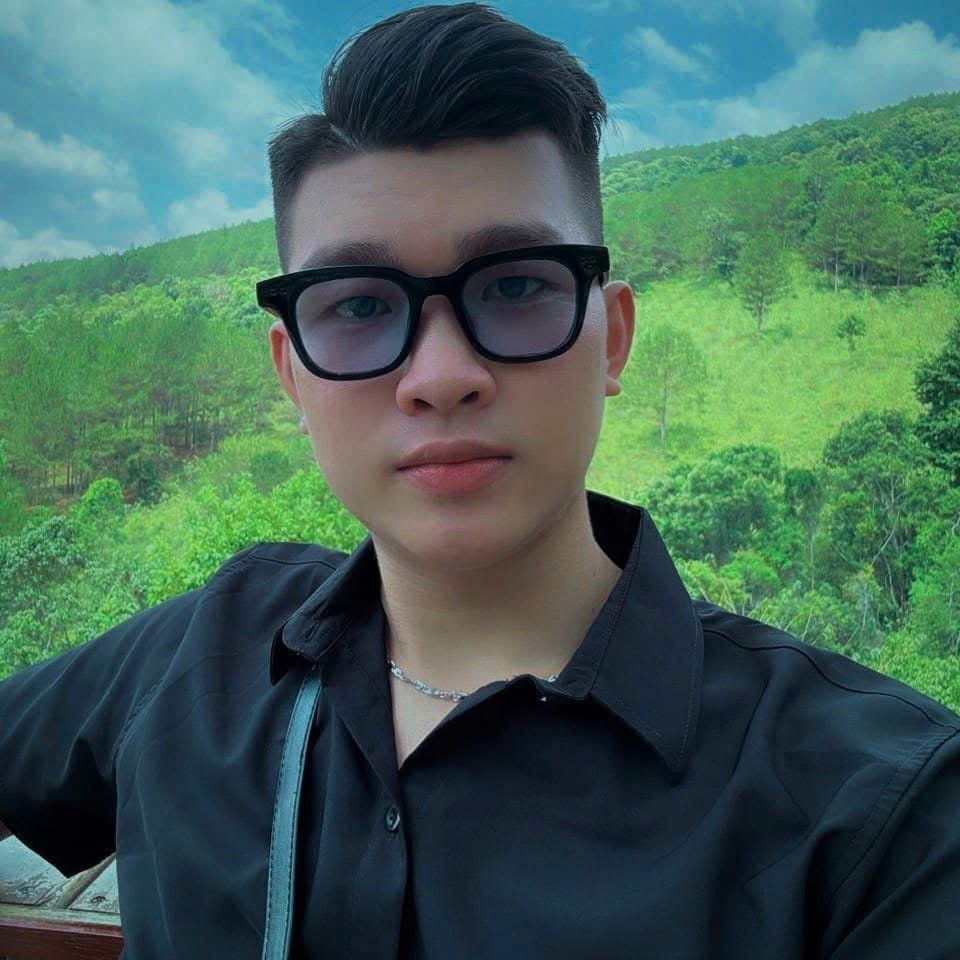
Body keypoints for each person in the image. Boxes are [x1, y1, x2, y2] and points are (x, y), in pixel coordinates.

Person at [1, 3, 959, 958]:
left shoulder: (879, 820)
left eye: (515, 285)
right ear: (292, 375)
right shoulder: (200, 653)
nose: (440, 375)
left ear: (612, 338)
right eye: (359, 306)